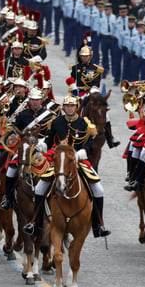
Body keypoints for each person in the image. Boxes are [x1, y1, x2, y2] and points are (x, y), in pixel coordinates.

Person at [24, 94, 109, 238]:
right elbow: (49, 141)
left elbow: (89, 145)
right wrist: (38, 144)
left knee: (99, 190)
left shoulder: (84, 123)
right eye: (67, 106)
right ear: (63, 108)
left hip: (79, 161)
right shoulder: (57, 122)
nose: (69, 109)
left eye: (72, 106)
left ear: (77, 108)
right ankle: (36, 224)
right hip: (60, 162)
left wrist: (78, 154)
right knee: (39, 188)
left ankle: (98, 225)